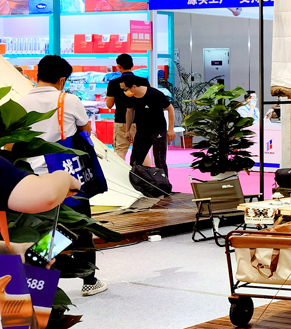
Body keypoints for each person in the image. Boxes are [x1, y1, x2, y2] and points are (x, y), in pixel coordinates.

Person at [18, 55, 105, 296]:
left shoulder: (21, 104)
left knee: (45, 229)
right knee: (80, 225)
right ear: (62, 79)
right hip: (65, 177)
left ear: (37, 75)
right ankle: (89, 280)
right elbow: (85, 131)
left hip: (32, 179)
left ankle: (41, 283)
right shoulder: (69, 100)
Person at [121, 80, 176, 170]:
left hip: (158, 130)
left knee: (159, 160)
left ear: (133, 86)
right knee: (135, 160)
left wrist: (170, 129)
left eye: (125, 89)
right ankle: (135, 177)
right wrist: (127, 130)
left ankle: (162, 178)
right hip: (142, 131)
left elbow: (170, 109)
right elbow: (129, 112)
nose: (124, 92)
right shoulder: (130, 97)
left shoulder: (155, 94)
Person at [104, 53, 140, 157]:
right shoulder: (142, 81)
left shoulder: (113, 83)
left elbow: (109, 105)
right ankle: (144, 169)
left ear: (119, 66)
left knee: (120, 150)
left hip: (121, 120)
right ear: (132, 65)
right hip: (139, 120)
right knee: (141, 151)